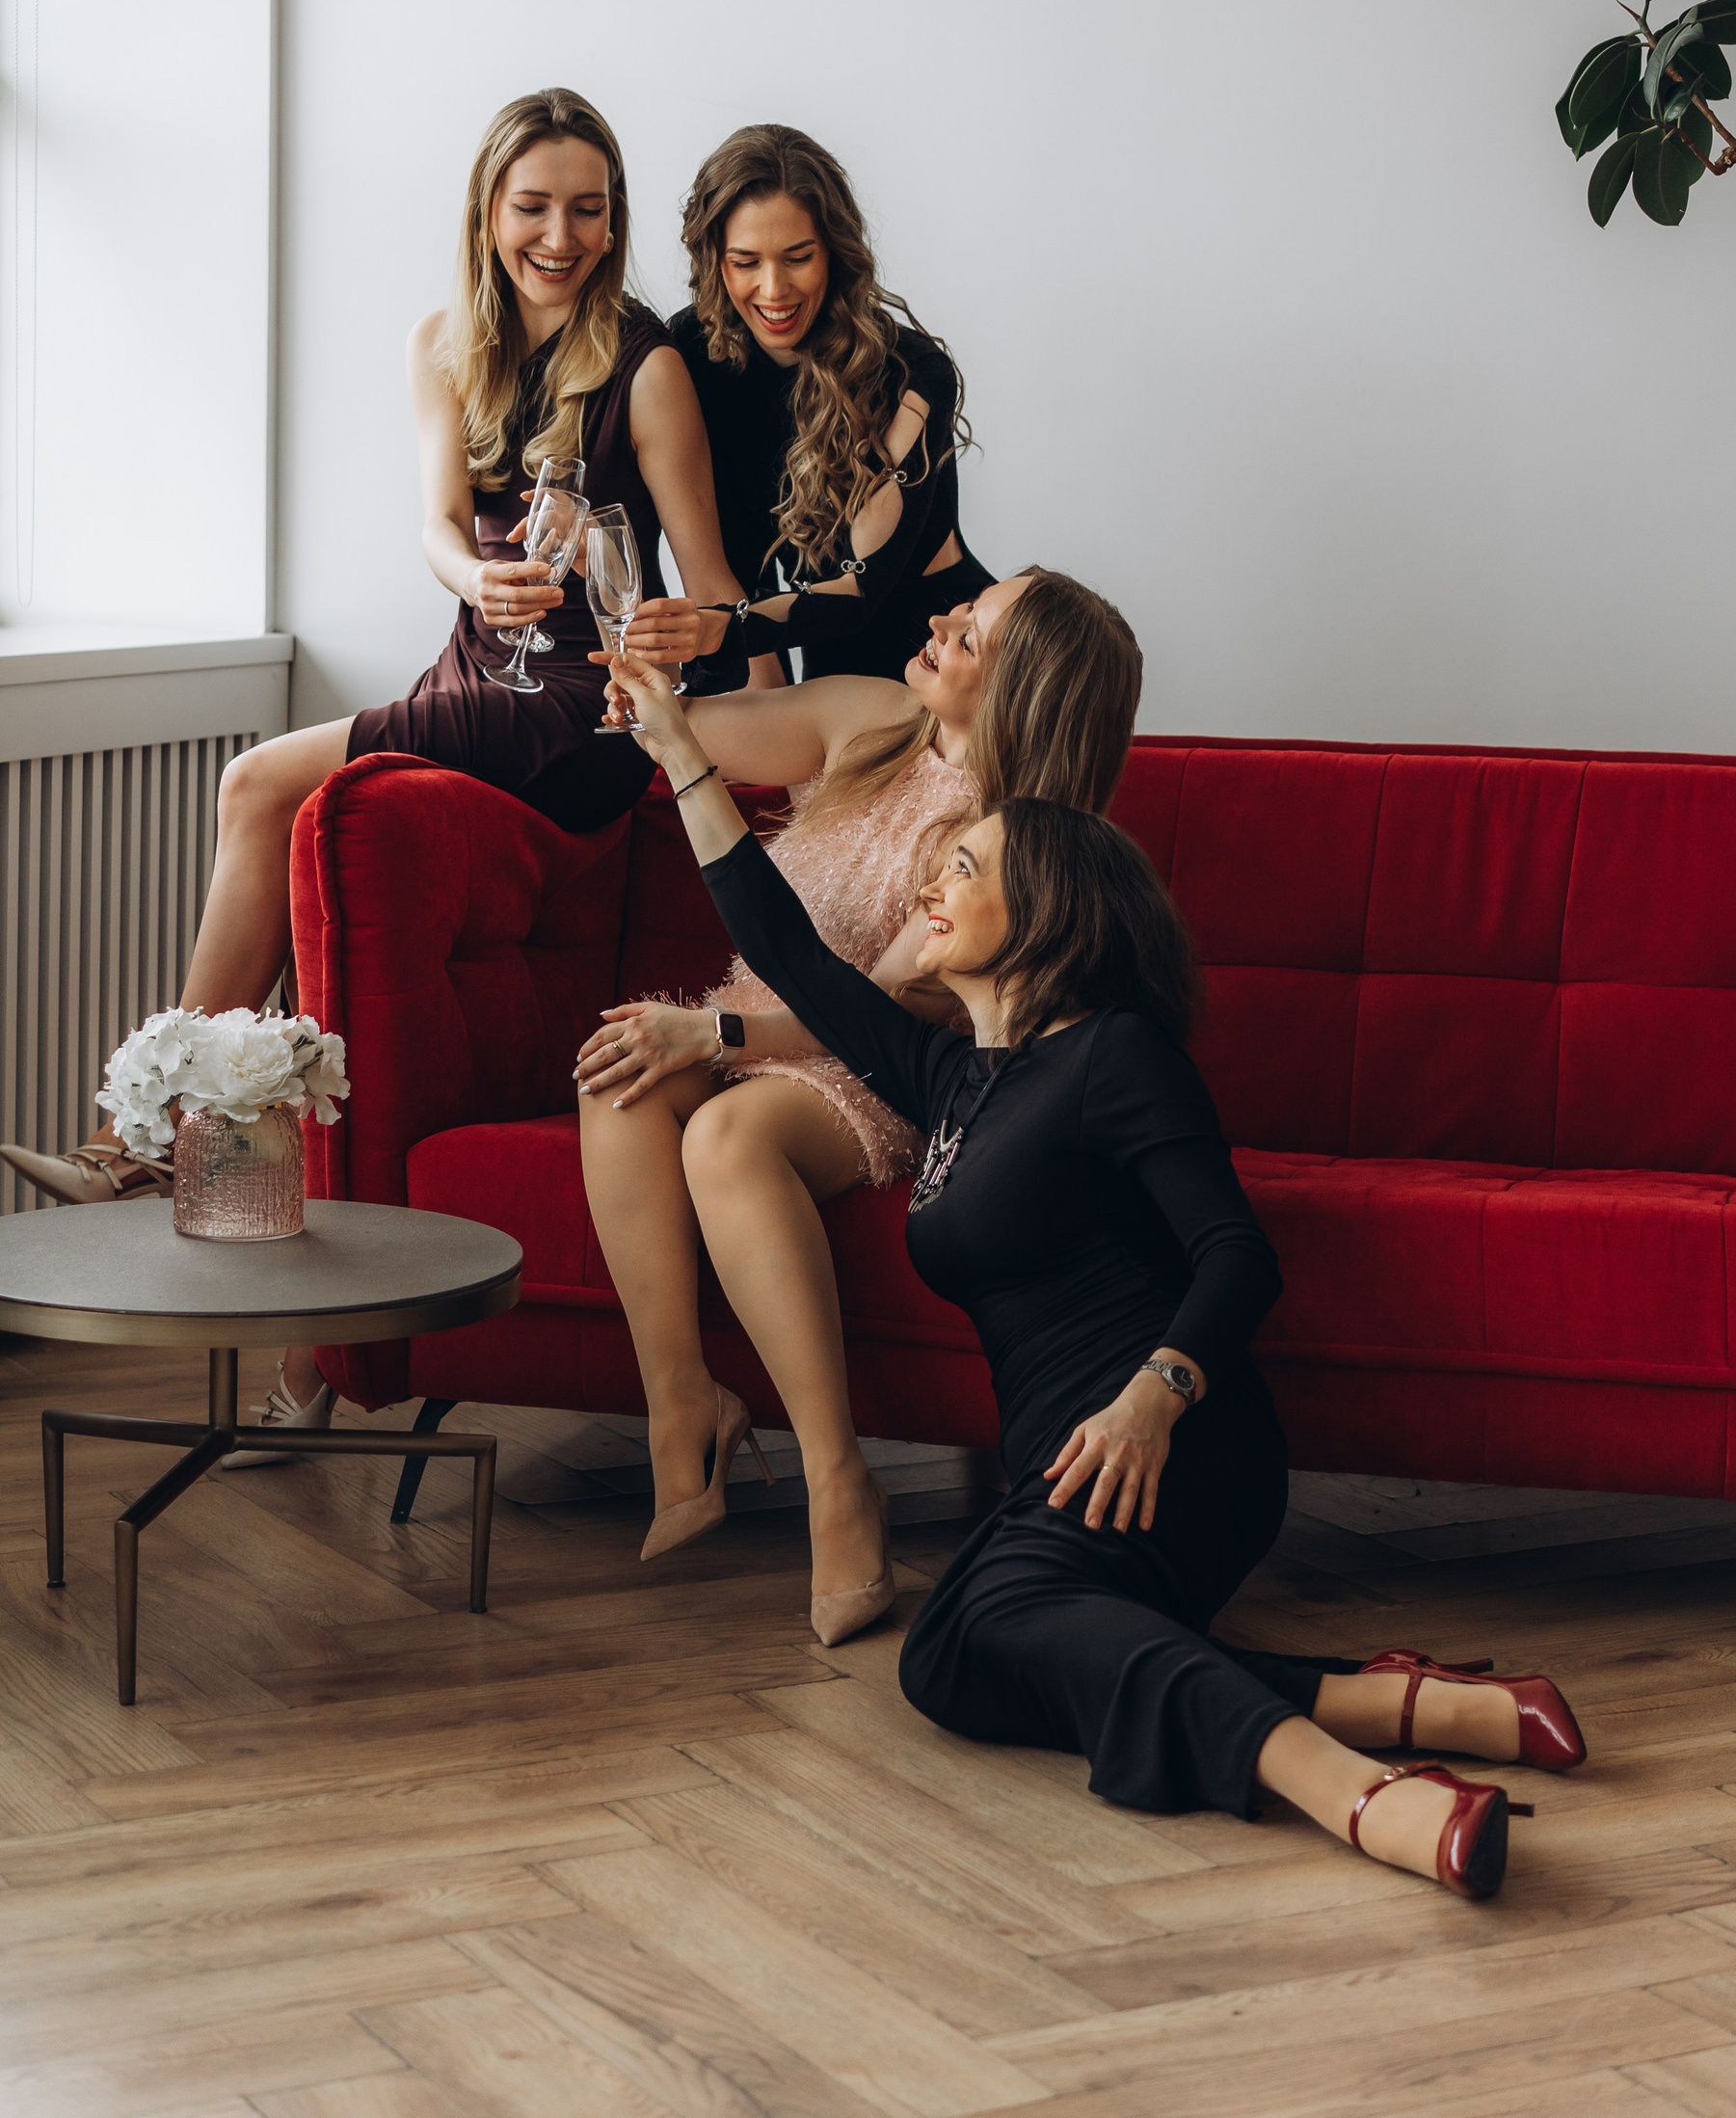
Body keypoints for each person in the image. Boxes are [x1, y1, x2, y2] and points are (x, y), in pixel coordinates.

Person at [609, 649, 1589, 1903]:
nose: (933, 884)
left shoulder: (1116, 1058)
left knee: (996, 1621)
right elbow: (788, 953)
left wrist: (1151, 1398)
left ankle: (1362, 1792)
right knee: (947, 1656)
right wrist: (679, 751)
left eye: (967, 868)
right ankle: (1415, 1703)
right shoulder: (952, 1080)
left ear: (1050, 911)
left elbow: (1236, 1254)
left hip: (1174, 1451)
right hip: (1063, 1471)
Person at [1, 91, 751, 1425]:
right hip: (467, 675)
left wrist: (730, 700)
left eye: (589, 210)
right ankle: (294, 1317)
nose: (562, 236)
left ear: (615, 221)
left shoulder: (646, 368)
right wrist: (478, 576)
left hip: (572, 717)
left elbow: (712, 583)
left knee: (255, 784)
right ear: (487, 212)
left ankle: (141, 1141)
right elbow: (439, 531)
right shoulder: (443, 344)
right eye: (534, 207)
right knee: (306, 860)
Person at [573, 568, 1142, 1633]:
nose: (936, 622)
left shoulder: (1011, 844)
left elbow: (869, 1018)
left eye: (968, 634)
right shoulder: (873, 715)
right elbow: (684, 732)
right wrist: (645, 698)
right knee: (617, 1073)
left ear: (1022, 691)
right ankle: (680, 1397)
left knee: (730, 1132)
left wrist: (713, 1034)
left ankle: (839, 1479)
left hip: (888, 1074)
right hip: (759, 1019)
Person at [626, 124, 992, 691]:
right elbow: (720, 558)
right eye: (745, 262)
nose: (774, 290)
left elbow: (859, 589)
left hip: (946, 665)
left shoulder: (914, 376)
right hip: (806, 667)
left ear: (835, 253)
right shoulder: (695, 355)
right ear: (714, 260)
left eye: (798, 257)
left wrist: (720, 630)